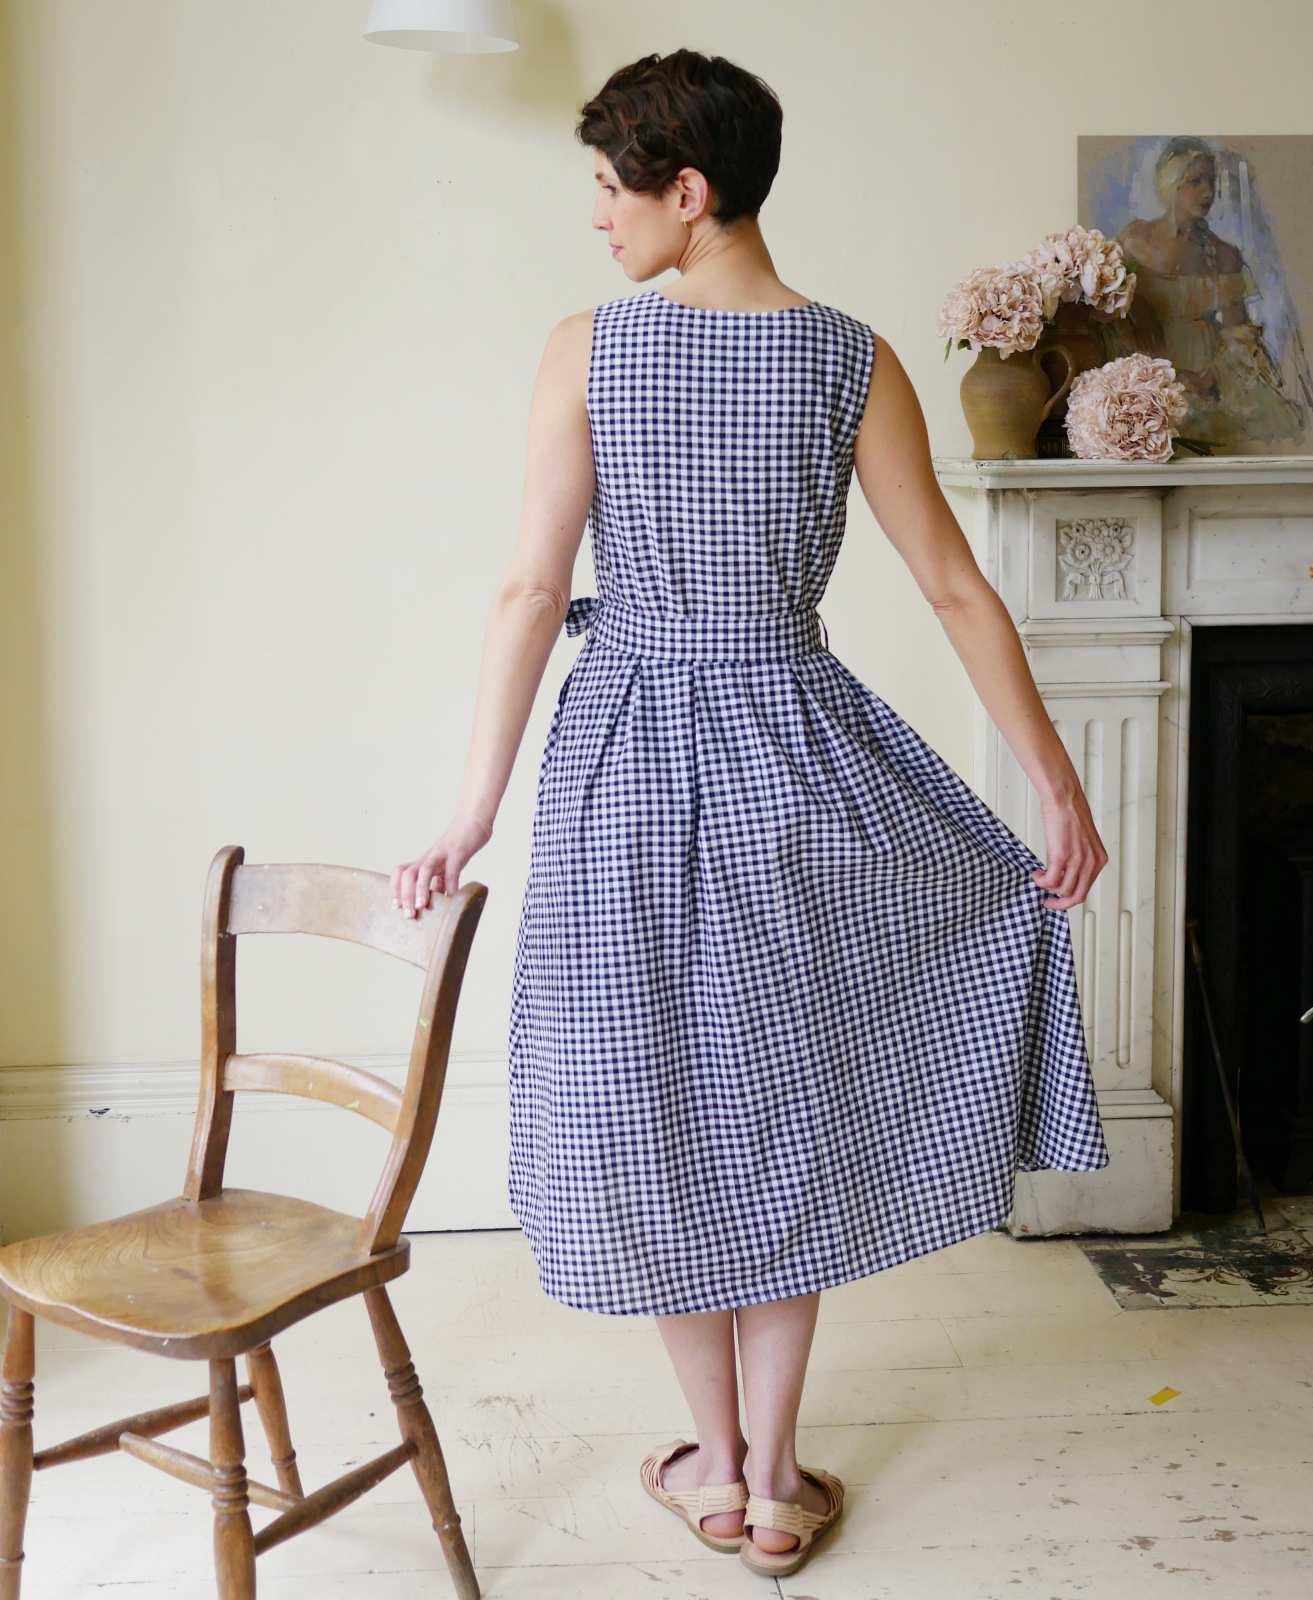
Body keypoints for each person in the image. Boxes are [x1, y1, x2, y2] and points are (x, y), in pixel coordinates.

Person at [391, 47, 1110, 1580]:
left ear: (686, 192)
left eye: (607, 186)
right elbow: (952, 586)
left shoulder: (587, 351)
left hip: (622, 770)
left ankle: (709, 1467)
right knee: (785, 1100)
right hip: (801, 755)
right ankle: (777, 1478)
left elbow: (529, 591)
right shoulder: (849, 355)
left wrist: (468, 813)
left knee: (652, 1097)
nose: (593, 216)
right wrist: (1054, 788)